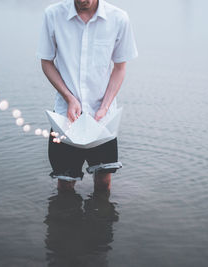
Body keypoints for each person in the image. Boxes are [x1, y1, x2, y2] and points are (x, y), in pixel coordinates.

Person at [37, 0, 138, 192]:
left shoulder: (119, 18)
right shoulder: (52, 14)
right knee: (65, 183)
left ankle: (100, 220)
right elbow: (46, 62)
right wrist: (69, 98)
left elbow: (119, 68)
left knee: (103, 182)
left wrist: (104, 107)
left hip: (104, 119)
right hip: (64, 117)